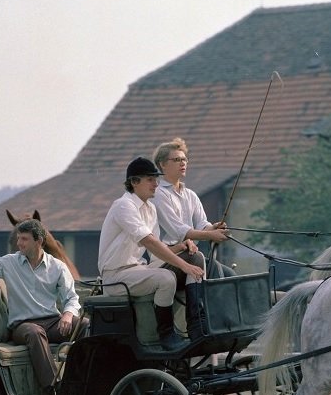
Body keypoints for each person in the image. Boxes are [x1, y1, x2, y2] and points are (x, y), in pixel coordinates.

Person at [0, 217, 87, 395]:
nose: (18, 243)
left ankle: (82, 379)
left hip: (53, 322)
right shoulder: (9, 263)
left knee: (85, 325)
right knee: (34, 332)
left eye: (24, 239)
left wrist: (68, 315)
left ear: (39, 241)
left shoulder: (58, 267)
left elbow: (71, 297)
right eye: (18, 238)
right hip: (22, 326)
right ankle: (54, 388)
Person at [97, 156, 205, 350]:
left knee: (196, 257)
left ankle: (196, 325)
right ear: (134, 182)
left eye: (156, 179)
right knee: (166, 278)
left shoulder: (151, 209)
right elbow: (149, 241)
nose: (156, 184)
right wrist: (183, 265)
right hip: (116, 276)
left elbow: (156, 252)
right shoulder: (123, 206)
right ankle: (166, 335)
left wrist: (182, 248)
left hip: (138, 270)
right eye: (150, 179)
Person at [152, 137, 236, 279]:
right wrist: (211, 235)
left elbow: (202, 225)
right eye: (177, 160)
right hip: (166, 258)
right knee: (209, 268)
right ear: (163, 164)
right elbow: (179, 231)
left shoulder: (190, 195)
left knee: (229, 275)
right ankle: (197, 302)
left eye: (185, 159)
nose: (183, 163)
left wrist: (214, 228)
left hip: (190, 254)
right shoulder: (158, 194)